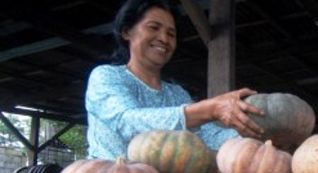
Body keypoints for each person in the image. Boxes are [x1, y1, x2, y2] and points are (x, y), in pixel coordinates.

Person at [85, 0, 264, 159]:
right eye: (153, 27)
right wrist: (211, 109)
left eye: (171, 34)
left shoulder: (177, 94)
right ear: (127, 32)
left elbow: (209, 137)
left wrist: (258, 132)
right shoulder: (106, 76)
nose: (164, 38)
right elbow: (128, 122)